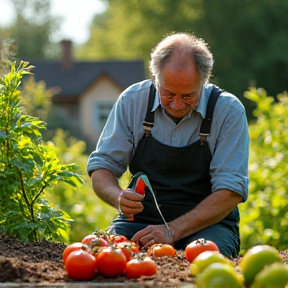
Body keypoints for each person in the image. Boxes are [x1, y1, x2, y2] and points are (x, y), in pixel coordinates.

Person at [87, 32, 249, 258]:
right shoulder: (133, 101)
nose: (177, 104)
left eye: (188, 95)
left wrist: (172, 230)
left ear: (204, 81)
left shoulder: (228, 112)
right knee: (107, 257)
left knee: (207, 265)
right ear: (156, 78)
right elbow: (102, 166)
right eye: (168, 93)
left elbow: (230, 191)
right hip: (142, 221)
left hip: (209, 227)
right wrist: (117, 196)